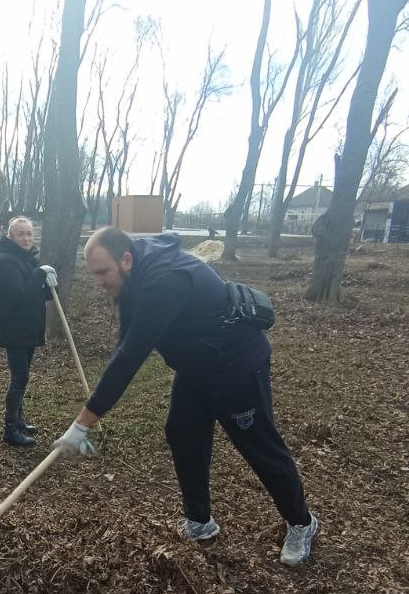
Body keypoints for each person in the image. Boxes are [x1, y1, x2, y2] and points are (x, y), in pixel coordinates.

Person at [53, 227, 318, 566]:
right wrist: (89, 416)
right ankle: (200, 521)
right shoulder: (136, 272)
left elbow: (132, 356)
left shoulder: (163, 282)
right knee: (183, 434)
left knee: (259, 446)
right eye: (95, 274)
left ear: (126, 259)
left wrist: (82, 424)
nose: (100, 281)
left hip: (235, 365)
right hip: (196, 367)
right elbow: (126, 344)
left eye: (103, 273)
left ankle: (301, 522)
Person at [0, 216, 56, 446]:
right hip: (14, 327)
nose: (26, 238)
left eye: (29, 233)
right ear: (11, 236)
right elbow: (19, 295)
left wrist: (48, 285)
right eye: (21, 234)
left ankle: (18, 420)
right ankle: (10, 428)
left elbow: (35, 293)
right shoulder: (6, 261)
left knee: (23, 374)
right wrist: (39, 274)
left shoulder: (28, 258)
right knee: (20, 377)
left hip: (27, 325)